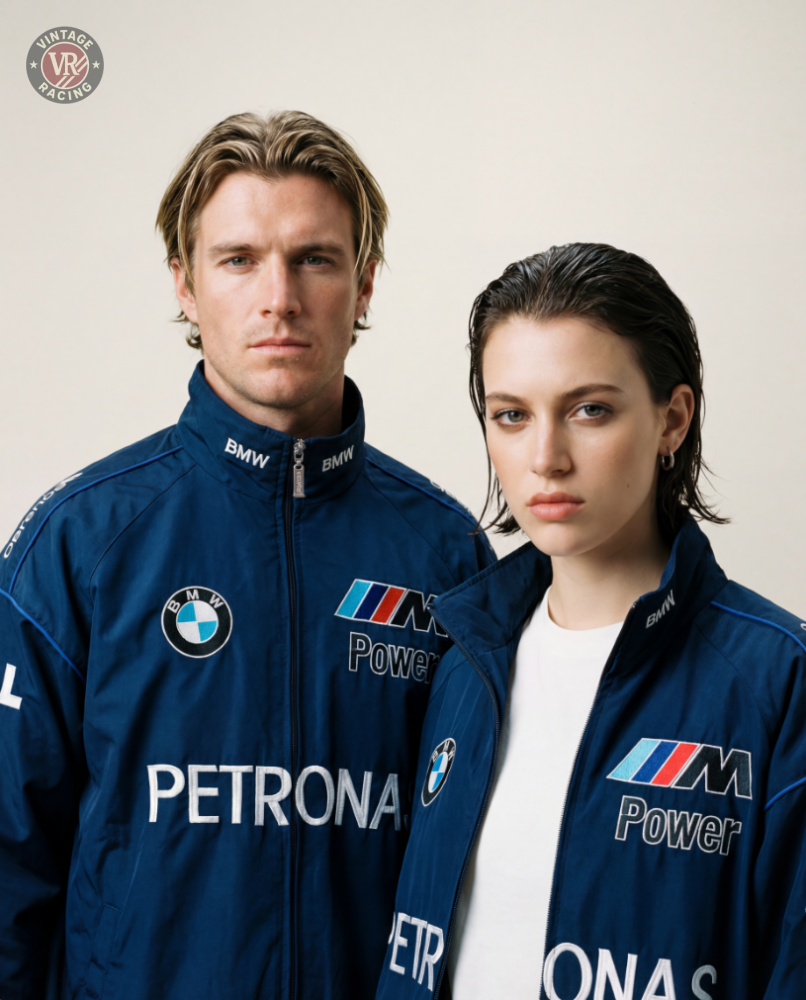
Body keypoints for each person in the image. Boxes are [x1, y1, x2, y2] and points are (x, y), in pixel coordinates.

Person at [0, 111, 493, 1000]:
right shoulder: (78, 543)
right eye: (238, 260)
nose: (280, 297)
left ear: (365, 283)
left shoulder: (446, 553)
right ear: (185, 285)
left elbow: (483, 873)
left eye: (315, 258)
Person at [375, 243, 806, 1000]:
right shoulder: (465, 663)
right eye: (511, 415)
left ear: (672, 419)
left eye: (589, 410)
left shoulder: (780, 679)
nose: (546, 457)